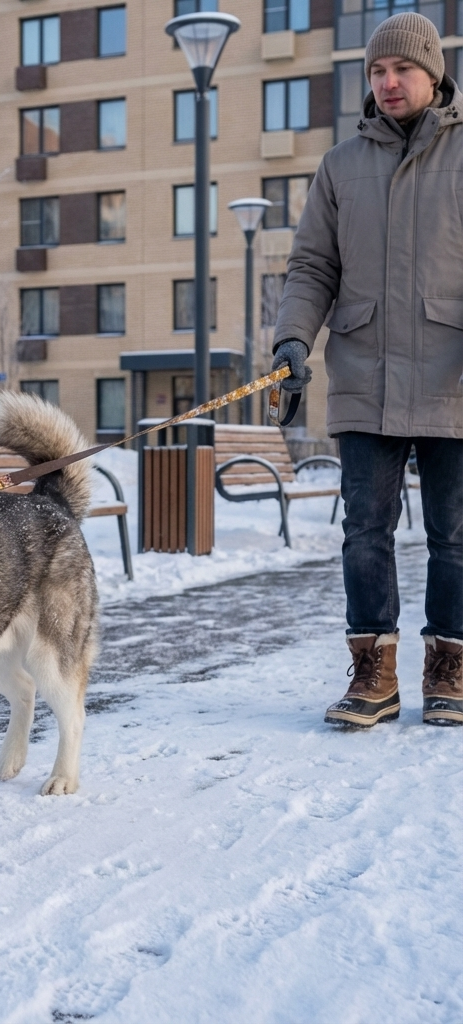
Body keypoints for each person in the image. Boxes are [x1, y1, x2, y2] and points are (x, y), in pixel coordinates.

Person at [271, 12, 463, 728]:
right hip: (365, 372)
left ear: (432, 73)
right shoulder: (340, 165)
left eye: (401, 69)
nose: (387, 81)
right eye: (377, 71)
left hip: (452, 377)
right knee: (365, 533)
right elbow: (312, 266)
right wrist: (292, 340)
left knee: (454, 536)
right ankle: (373, 673)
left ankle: (451, 668)